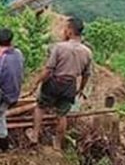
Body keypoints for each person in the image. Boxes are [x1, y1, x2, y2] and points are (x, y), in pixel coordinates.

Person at [30, 17, 93, 149]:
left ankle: (35, 135)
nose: (63, 31)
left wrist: (37, 83)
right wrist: (81, 88)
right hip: (70, 85)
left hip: (54, 82)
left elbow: (48, 70)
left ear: (70, 31)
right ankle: (57, 143)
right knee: (62, 115)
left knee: (40, 107)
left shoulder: (59, 47)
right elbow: (86, 74)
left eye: (65, 28)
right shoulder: (87, 52)